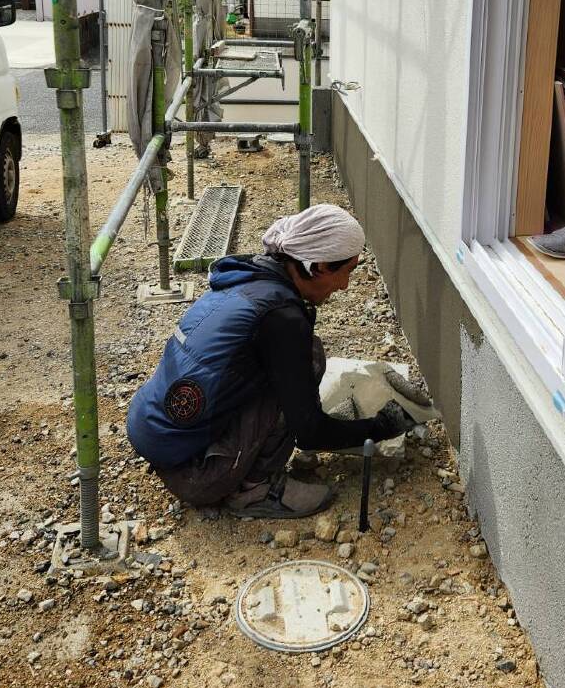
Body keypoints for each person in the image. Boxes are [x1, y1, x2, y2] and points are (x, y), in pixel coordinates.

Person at [126, 202, 416, 519]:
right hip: (196, 474)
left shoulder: (250, 278)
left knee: (299, 359)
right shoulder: (282, 318)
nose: (344, 285)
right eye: (346, 272)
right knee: (308, 359)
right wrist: (380, 427)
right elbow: (309, 433)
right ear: (318, 266)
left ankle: (234, 468)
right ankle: (253, 490)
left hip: (159, 437)